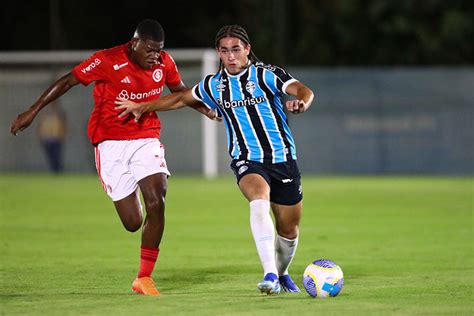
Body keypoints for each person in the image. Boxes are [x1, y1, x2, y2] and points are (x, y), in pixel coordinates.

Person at [10, 19, 217, 296]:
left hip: (146, 139)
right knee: (133, 223)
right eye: (151, 50)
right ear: (135, 44)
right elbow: (69, 80)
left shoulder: (164, 64)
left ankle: (144, 277)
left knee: (158, 199)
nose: (156, 56)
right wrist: (32, 111)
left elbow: (180, 92)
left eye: (160, 50)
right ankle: (137, 213)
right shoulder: (107, 60)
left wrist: (207, 110)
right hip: (110, 144)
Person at [115, 24, 314, 295]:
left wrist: (301, 103)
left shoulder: (267, 75)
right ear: (218, 53)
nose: (231, 56)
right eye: (224, 50)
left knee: (289, 230)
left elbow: (304, 91)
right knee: (258, 200)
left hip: (283, 159)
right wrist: (142, 106)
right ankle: (269, 274)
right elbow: (180, 99)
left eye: (235, 49)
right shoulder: (214, 84)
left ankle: (282, 272)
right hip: (247, 160)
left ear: (247, 49)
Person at [37, 101, 68, 173]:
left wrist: (63, 135)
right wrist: (40, 135)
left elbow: (64, 124)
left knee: (56, 155)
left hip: (56, 137)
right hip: (47, 138)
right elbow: (41, 125)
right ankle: (54, 170)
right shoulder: (45, 113)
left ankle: (57, 170)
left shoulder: (59, 113)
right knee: (50, 156)